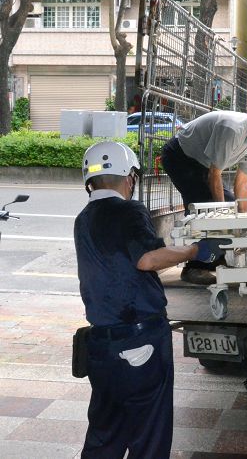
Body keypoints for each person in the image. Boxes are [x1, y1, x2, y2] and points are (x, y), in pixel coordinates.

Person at [75, 141, 230, 458]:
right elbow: (147, 258)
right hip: (140, 342)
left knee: (105, 434)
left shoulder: (84, 219)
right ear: (129, 177)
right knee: (149, 436)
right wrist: (196, 251)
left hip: (102, 346)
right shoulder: (129, 210)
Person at [160, 97, 247, 283]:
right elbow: (215, 174)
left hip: (203, 164)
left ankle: (216, 258)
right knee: (206, 208)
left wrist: (244, 223)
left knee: (231, 206)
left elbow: (242, 181)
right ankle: (194, 267)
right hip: (180, 156)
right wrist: (222, 216)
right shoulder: (234, 130)